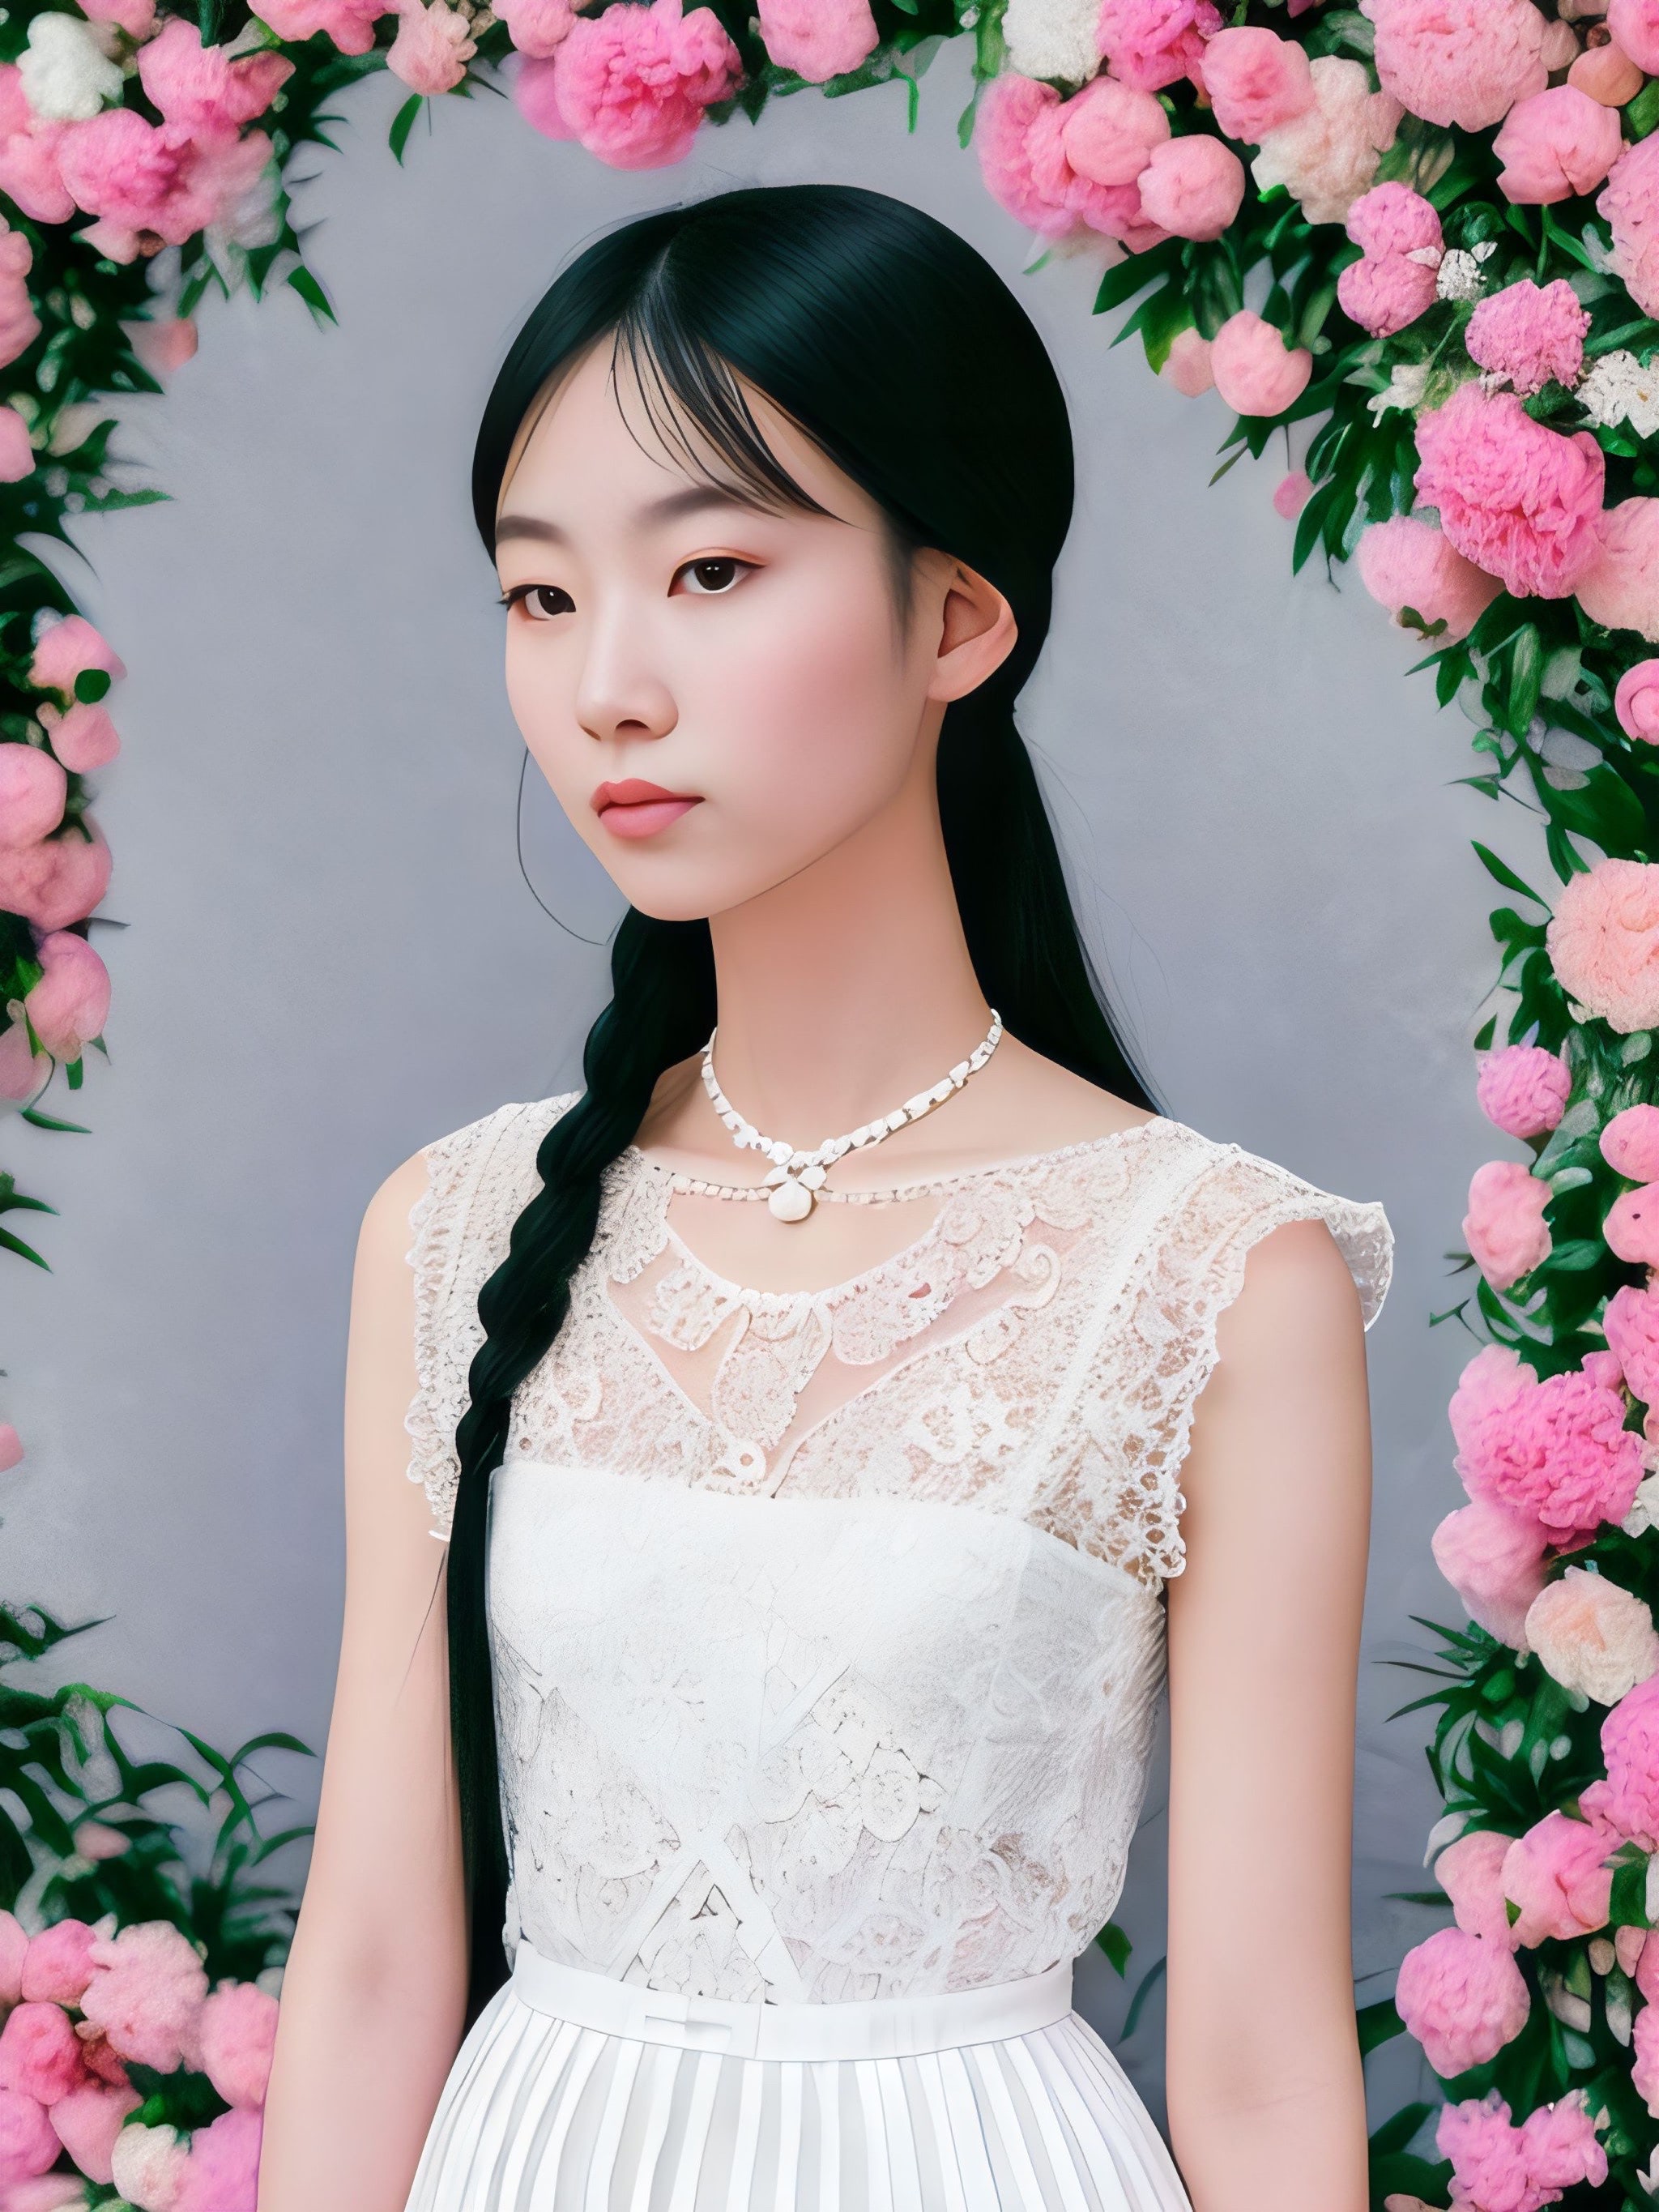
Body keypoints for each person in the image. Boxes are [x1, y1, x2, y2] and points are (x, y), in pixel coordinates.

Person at [254, 181, 1392, 2212]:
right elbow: (364, 1967)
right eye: (540, 595)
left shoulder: (1220, 1277)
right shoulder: (446, 1231)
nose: (607, 683)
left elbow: (1253, 2057)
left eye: (707, 570)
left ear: (954, 615)